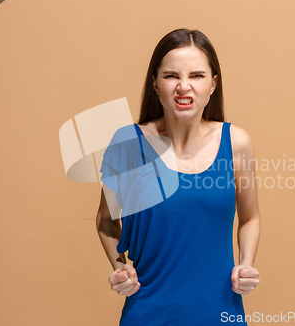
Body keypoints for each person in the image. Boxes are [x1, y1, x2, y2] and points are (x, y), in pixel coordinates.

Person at [96, 28, 261, 325]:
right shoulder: (128, 145)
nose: (183, 86)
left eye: (196, 76)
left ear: (213, 84)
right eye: (171, 76)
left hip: (221, 314)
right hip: (147, 313)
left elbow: (250, 218)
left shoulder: (236, 143)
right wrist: (121, 268)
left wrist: (245, 265)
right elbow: (106, 220)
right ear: (156, 85)